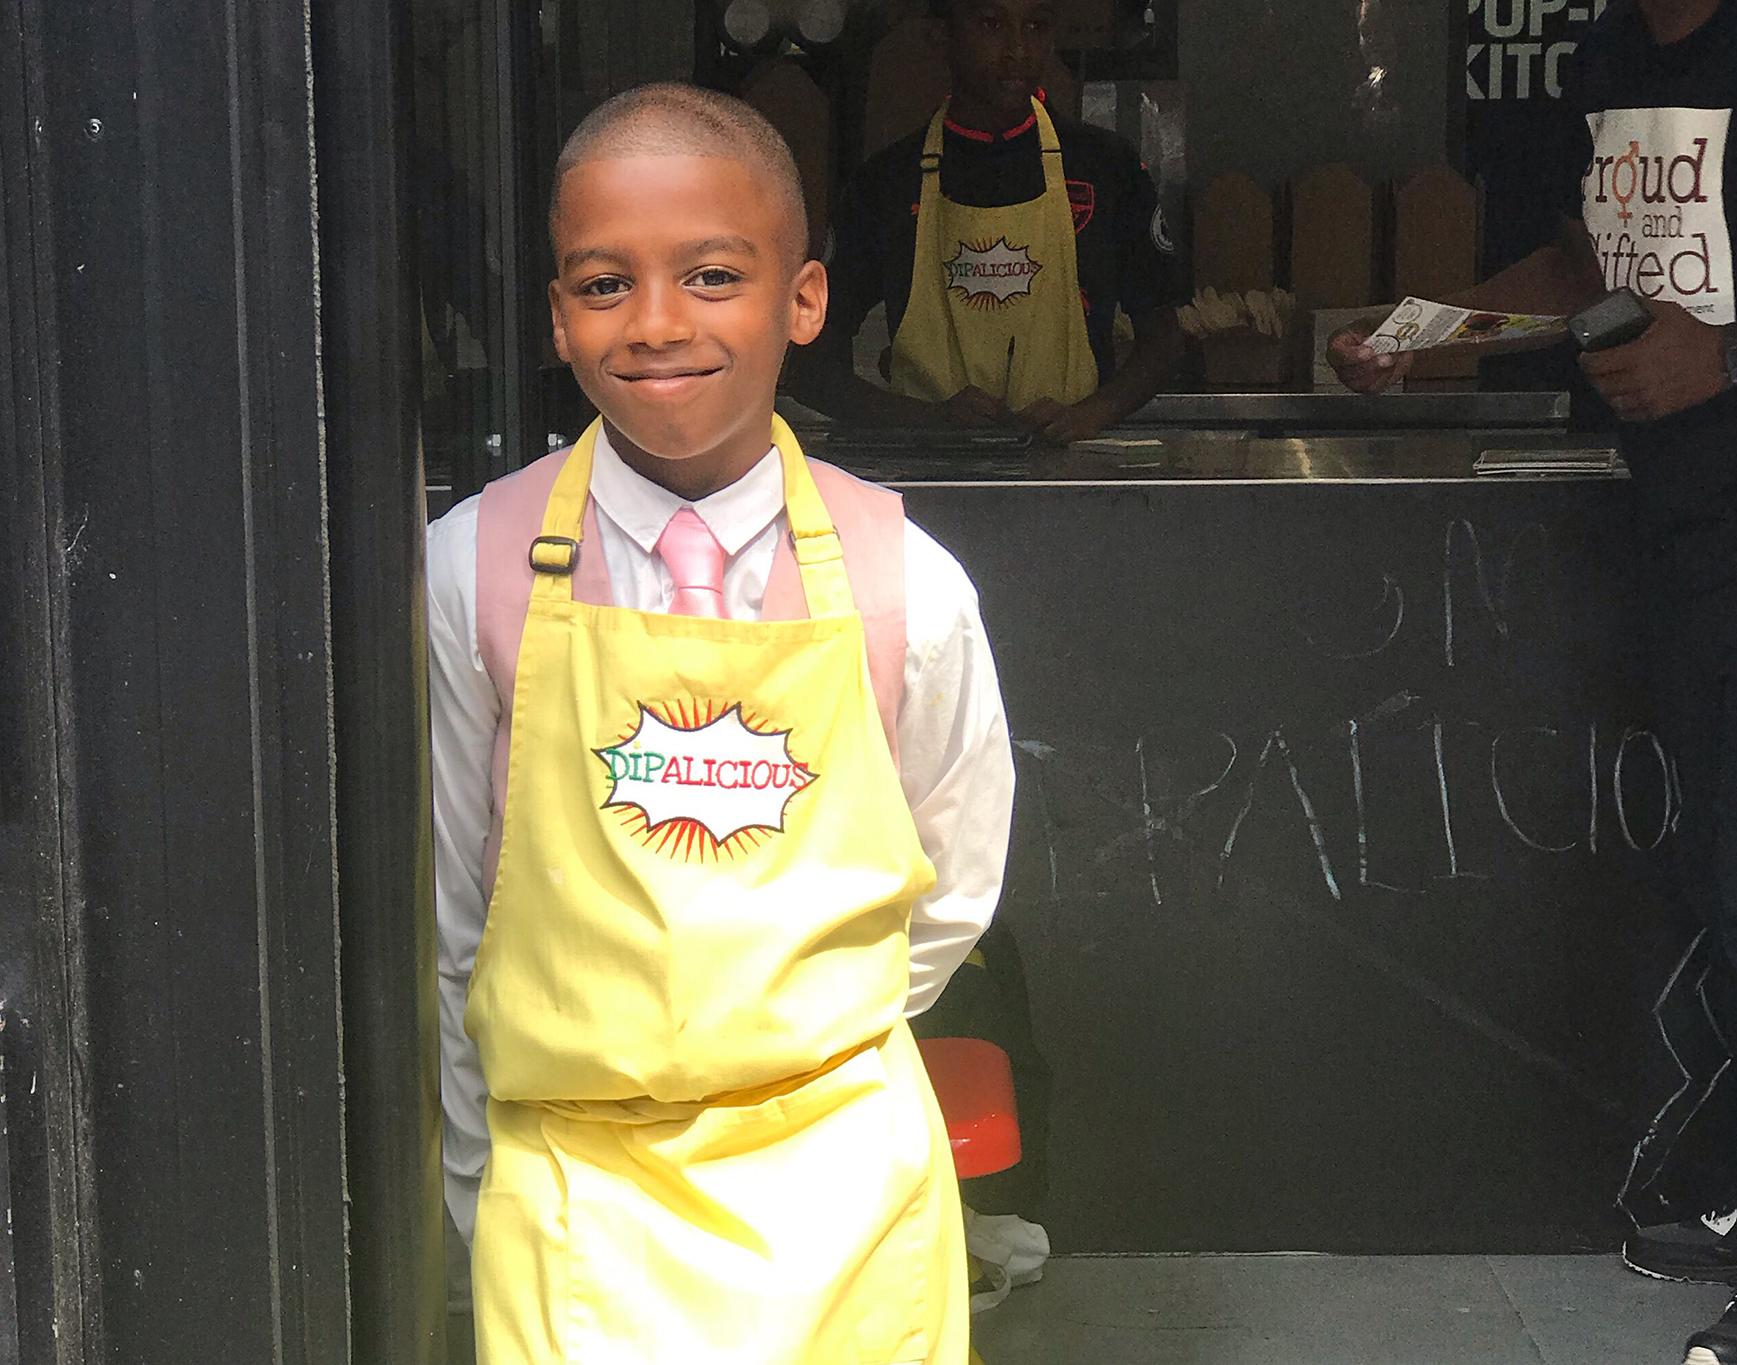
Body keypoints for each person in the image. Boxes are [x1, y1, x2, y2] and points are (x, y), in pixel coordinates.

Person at [425, 82, 1015, 1365]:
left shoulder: (907, 586)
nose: (653, 324)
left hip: (844, 1193)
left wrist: (780, 1045)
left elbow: (952, 893)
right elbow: (452, 922)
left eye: (708, 276)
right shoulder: (466, 568)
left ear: (803, 300)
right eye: (600, 285)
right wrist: (481, 1186)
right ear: (557, 320)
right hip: (570, 1197)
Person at [1330, 2, 1737, 1361]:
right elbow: (1576, 262)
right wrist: (1421, 332)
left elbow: (1711, 322)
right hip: (1687, 520)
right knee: (1726, 870)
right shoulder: (1609, 53)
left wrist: (1725, 353)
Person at [791, 0, 1184, 444]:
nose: (1017, 49)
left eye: (1036, 25)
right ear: (944, 35)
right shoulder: (886, 184)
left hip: (1075, 477)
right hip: (923, 479)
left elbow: (1164, 341)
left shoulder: (1107, 169)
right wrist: (926, 421)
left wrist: (1090, 416)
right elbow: (808, 366)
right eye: (992, 24)